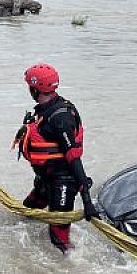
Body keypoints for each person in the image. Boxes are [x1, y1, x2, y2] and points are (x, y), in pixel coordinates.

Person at [15, 63, 95, 252]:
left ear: (35, 89)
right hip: (46, 178)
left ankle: (70, 263)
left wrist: (87, 201)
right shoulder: (44, 110)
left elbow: (74, 158)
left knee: (59, 241)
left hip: (63, 182)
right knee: (26, 216)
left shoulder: (61, 118)